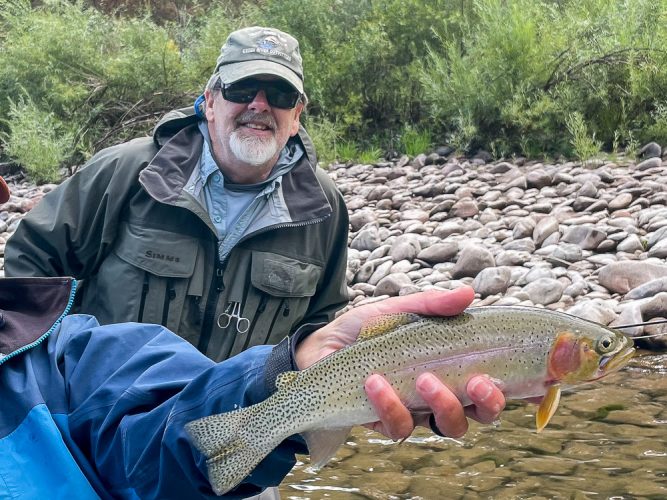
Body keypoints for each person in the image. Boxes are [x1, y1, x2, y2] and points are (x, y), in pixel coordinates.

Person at [4, 26, 349, 362]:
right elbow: (33, 259)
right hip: (105, 414)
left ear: (295, 118)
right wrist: (61, 369)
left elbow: (321, 324)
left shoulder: (323, 206)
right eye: (242, 89)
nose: (259, 104)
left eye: (280, 95)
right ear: (211, 102)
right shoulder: (130, 171)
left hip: (241, 418)